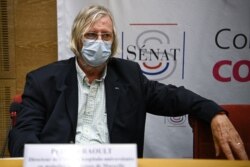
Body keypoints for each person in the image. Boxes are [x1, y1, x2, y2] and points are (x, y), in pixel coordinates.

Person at [8, 5, 248, 160]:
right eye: (91, 35)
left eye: (106, 36)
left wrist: (215, 113)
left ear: (113, 43)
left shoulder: (128, 76)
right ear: (76, 40)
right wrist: (47, 161)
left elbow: (173, 97)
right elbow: (23, 136)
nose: (99, 41)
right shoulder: (43, 80)